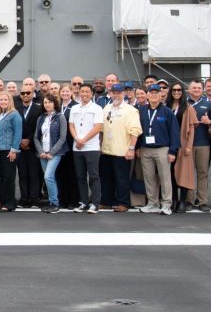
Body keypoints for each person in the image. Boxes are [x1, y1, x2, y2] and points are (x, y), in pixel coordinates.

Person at [137, 84, 180, 215]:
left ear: (161, 95)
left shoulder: (167, 112)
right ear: (148, 95)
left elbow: (174, 132)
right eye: (151, 93)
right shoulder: (142, 110)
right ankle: (152, 203)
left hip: (162, 149)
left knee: (165, 177)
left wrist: (173, 150)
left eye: (156, 93)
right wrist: (138, 147)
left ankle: (166, 204)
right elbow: (138, 130)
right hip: (145, 149)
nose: (154, 95)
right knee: (149, 177)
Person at [100, 83, 142, 212]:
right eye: (114, 92)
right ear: (110, 93)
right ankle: (107, 201)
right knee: (106, 178)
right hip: (106, 150)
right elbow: (101, 129)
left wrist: (131, 148)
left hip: (122, 150)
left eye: (118, 92)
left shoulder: (130, 110)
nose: (116, 95)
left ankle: (123, 202)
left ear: (124, 94)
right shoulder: (107, 108)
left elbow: (135, 131)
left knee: (122, 178)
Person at [68, 84, 104, 214]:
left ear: (91, 93)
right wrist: (77, 139)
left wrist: (84, 140)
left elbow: (98, 127)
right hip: (77, 147)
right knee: (80, 176)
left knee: (94, 176)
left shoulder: (97, 108)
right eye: (82, 92)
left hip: (92, 147)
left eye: (87, 92)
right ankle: (84, 202)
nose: (84, 94)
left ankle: (95, 203)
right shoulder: (74, 108)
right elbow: (71, 125)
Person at [34, 94, 68, 213]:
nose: (47, 104)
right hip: (43, 153)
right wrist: (41, 152)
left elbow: (63, 138)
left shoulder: (60, 117)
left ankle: (55, 203)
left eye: (50, 102)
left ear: (55, 103)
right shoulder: (41, 118)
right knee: (49, 178)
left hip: (55, 153)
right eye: (45, 102)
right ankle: (51, 202)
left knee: (48, 176)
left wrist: (52, 153)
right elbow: (36, 137)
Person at [186, 80, 211, 211]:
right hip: (187, 144)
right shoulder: (184, 103)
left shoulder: (207, 105)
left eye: (199, 88)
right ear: (189, 89)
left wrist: (209, 122)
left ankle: (202, 200)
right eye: (194, 87)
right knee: (188, 173)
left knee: (202, 173)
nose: (196, 90)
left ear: (202, 89)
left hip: (203, 143)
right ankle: (188, 200)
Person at [168, 83, 198, 213]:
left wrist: (189, 147)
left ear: (182, 92)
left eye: (179, 90)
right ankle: (174, 200)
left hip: (183, 145)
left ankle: (182, 201)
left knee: (184, 174)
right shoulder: (167, 106)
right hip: (169, 145)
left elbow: (191, 129)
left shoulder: (188, 108)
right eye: (174, 90)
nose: (176, 92)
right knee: (171, 174)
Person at [0, 92, 22, 212]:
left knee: (8, 176)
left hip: (8, 150)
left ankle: (10, 203)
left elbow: (18, 133)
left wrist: (14, 150)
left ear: (10, 101)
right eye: (1, 100)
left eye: (5, 100)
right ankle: (3, 201)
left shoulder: (14, 115)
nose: (3, 102)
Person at [14, 84, 43, 208]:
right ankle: (24, 198)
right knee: (22, 173)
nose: (25, 95)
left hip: (33, 145)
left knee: (34, 173)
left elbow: (40, 127)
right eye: (23, 93)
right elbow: (14, 126)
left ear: (32, 94)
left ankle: (34, 199)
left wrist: (29, 140)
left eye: (28, 93)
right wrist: (20, 140)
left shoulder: (39, 108)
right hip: (19, 145)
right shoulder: (16, 108)